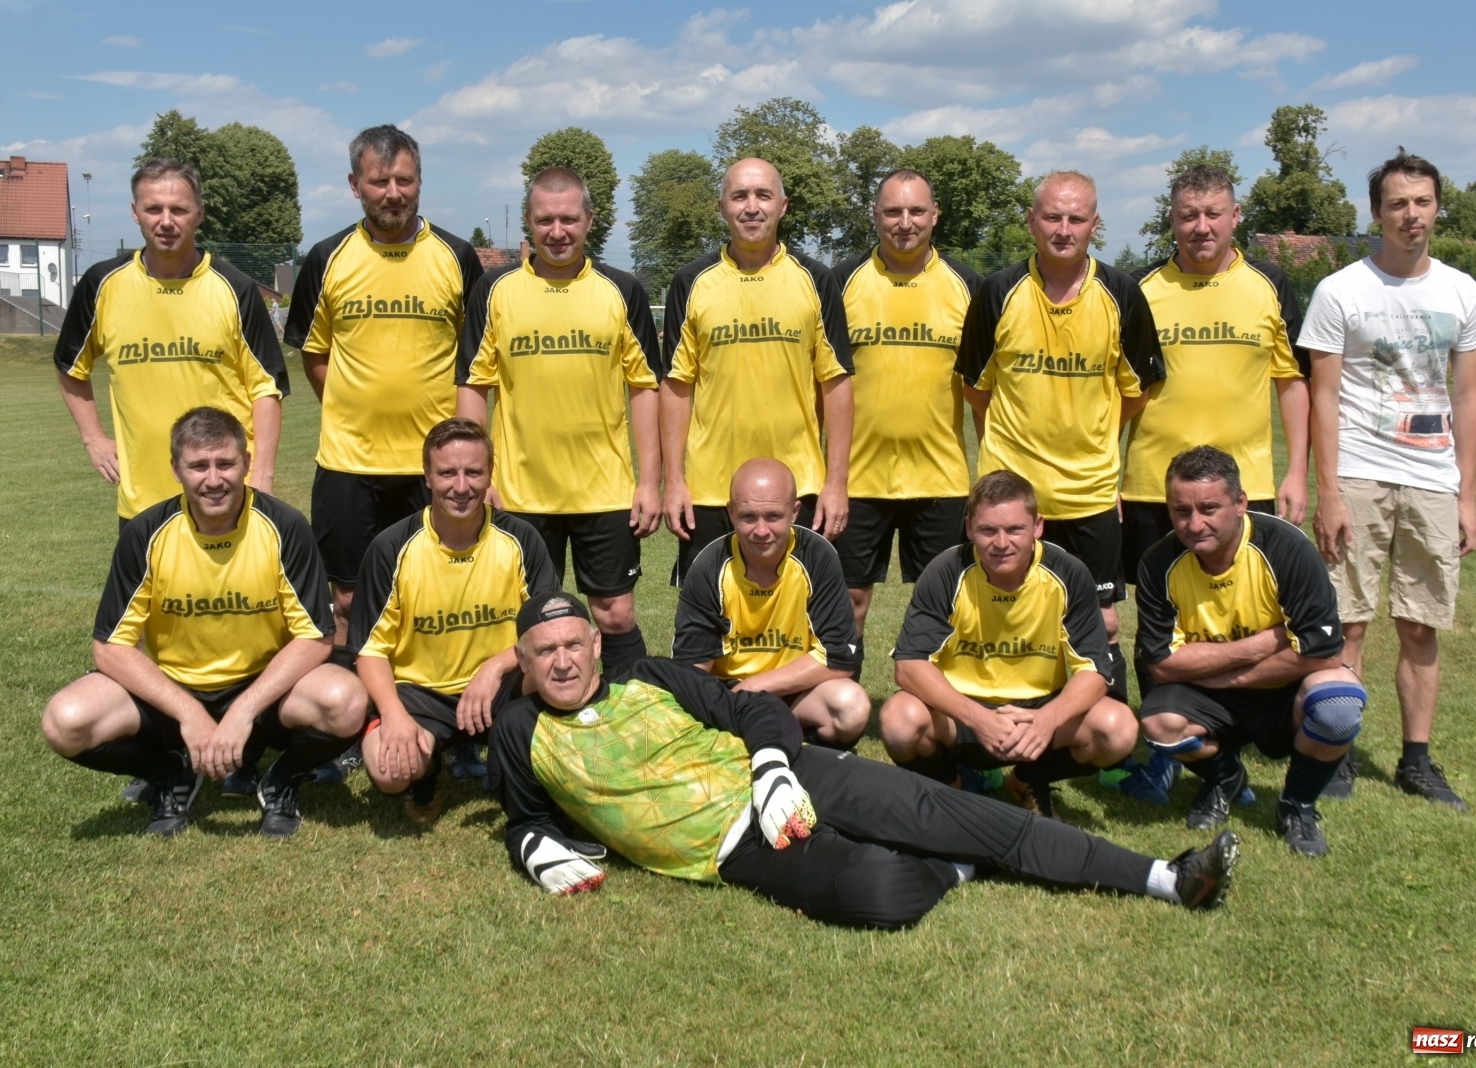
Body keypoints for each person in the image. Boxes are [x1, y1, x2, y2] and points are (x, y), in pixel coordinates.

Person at [487, 591, 1240, 929]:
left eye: (571, 645)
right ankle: (953, 867)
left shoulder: (647, 675)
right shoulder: (519, 731)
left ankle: (1166, 879)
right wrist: (533, 850)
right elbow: (524, 814)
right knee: (880, 894)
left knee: (962, 814)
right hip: (732, 845)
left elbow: (751, 707)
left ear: (593, 643)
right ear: (523, 659)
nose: (561, 663)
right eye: (543, 652)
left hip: (792, 779)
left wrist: (775, 769)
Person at [40, 407, 366, 838]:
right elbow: (110, 647)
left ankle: (281, 780)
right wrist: (190, 713)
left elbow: (316, 637)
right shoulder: (146, 533)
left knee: (347, 701)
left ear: (246, 463)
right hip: (173, 692)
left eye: (225, 463)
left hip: (264, 692)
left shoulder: (284, 526)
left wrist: (244, 710)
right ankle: (169, 773)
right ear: (176, 469)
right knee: (65, 720)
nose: (214, 479)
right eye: (198, 466)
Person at [286, 124, 483, 783]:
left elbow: (474, 363)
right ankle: (350, 726)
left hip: (436, 472)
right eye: (380, 181)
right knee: (346, 604)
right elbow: (315, 356)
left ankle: (450, 728)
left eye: (405, 180)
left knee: (440, 595)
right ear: (355, 185)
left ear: (420, 181)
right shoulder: (327, 257)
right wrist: (355, 407)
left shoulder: (456, 257)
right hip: (348, 462)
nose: (393, 192)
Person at [1300, 148, 1476, 812]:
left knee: (1420, 625)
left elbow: (1466, 398)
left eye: (1422, 201)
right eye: (1397, 204)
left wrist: (1465, 494)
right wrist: (1328, 490)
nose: (1411, 215)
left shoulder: (1462, 292)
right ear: (1376, 212)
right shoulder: (1341, 291)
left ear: (1438, 206)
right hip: (1357, 473)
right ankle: (1338, 749)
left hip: (1432, 479)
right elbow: (1322, 396)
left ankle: (1416, 760)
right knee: (1347, 624)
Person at [1118, 163, 1311, 804]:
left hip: (1242, 489)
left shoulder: (1270, 285)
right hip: (1152, 486)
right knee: (1161, 628)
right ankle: (1166, 755)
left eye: (1213, 214)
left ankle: (1232, 748)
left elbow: (1292, 382)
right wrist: (1112, 471)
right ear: (1170, 220)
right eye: (1187, 215)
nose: (1200, 227)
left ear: (1235, 217)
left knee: (1241, 617)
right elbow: (1122, 390)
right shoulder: (1140, 288)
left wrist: (1297, 472)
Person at [957, 171, 1163, 697]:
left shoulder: (1122, 294)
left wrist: (1097, 443)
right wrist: (1002, 455)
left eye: (1076, 218)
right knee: (1001, 612)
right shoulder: (997, 292)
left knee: (1103, 621)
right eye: (1052, 216)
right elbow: (977, 388)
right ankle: (994, 730)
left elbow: (1138, 389)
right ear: (1032, 221)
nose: (1063, 229)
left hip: (1089, 492)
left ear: (1095, 224)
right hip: (1010, 493)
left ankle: (1102, 738)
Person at [457, 166, 662, 670]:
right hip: (520, 492)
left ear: (589, 220)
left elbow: (644, 387)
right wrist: (478, 477)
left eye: (568, 219)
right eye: (545, 219)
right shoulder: (494, 290)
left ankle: (628, 713)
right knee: (528, 620)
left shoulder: (622, 290)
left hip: (605, 490)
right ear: (528, 221)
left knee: (614, 614)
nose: (557, 232)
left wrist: (650, 481)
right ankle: (525, 729)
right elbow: (472, 386)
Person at [1135, 446, 1367, 857]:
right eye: (1181, 511)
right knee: (1158, 724)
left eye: (1209, 508)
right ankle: (1225, 778)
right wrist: (1265, 641)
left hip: (1279, 693)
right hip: (1209, 696)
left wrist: (1223, 674)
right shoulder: (1158, 563)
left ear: (1240, 503)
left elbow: (1324, 654)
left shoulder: (1286, 549)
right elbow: (1164, 663)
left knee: (1339, 700)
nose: (1195, 523)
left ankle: (1298, 804)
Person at [880, 471, 1138, 815]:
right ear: (970, 527)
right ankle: (948, 784)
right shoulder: (945, 571)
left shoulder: (1069, 573)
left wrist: (1048, 719)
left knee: (1118, 729)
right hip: (962, 715)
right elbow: (909, 667)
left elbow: (1094, 671)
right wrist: (977, 718)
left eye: (1015, 529)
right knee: (899, 721)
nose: (1001, 543)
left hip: (1041, 716)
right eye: (988, 530)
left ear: (1038, 526)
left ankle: (1030, 777)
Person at [55, 158, 287, 525]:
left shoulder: (235, 289)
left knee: (231, 587)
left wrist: (263, 473)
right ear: (135, 212)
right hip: (142, 504)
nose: (166, 221)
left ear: (199, 213)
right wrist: (94, 438)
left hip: (225, 496)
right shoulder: (102, 285)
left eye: (178, 209)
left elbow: (267, 388)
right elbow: (70, 366)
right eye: (153, 209)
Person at [349, 418, 558, 823]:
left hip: (502, 687)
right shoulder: (392, 547)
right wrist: (393, 715)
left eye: (473, 472)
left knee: (559, 668)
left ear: (490, 474)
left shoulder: (521, 539)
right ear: (427, 476)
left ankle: (530, 765)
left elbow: (548, 630)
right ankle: (427, 773)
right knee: (389, 770)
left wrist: (494, 668)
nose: (461, 486)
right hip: (422, 692)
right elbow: (370, 650)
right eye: (447, 473)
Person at [660, 157, 854, 583]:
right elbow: (676, 387)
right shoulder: (691, 281)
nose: (752, 207)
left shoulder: (817, 280)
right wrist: (673, 481)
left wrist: (836, 484)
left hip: (798, 487)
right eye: (740, 196)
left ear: (782, 205)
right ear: (721, 206)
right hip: (710, 490)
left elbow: (836, 383)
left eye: (763, 195)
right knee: (709, 618)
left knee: (800, 616)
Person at [831, 169, 982, 648]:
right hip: (857, 478)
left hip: (941, 478)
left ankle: (938, 716)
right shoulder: (840, 283)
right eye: (893, 211)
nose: (905, 222)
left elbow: (985, 389)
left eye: (916, 210)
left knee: (944, 603)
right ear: (875, 215)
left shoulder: (968, 286)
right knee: (848, 600)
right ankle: (841, 710)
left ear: (935, 215)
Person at [672, 459, 869, 748]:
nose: (761, 531)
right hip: (729, 698)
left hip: (795, 693)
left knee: (851, 706)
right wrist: (727, 705)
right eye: (749, 516)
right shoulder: (708, 567)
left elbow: (838, 658)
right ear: (731, 513)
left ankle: (808, 763)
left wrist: (755, 686)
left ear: (794, 512)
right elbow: (692, 672)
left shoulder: (818, 557)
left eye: (773, 516)